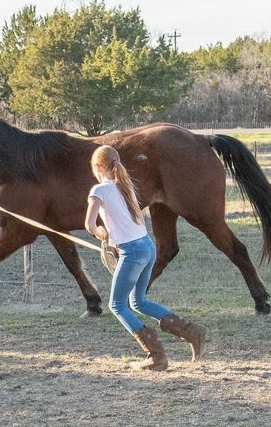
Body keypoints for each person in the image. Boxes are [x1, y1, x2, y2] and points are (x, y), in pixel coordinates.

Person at [85, 145, 205, 371]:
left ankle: (156, 356)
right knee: (138, 302)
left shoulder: (99, 190)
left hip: (132, 251)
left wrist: (100, 233)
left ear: (98, 167)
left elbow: (89, 224)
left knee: (117, 305)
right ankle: (192, 332)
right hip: (147, 247)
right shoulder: (125, 186)